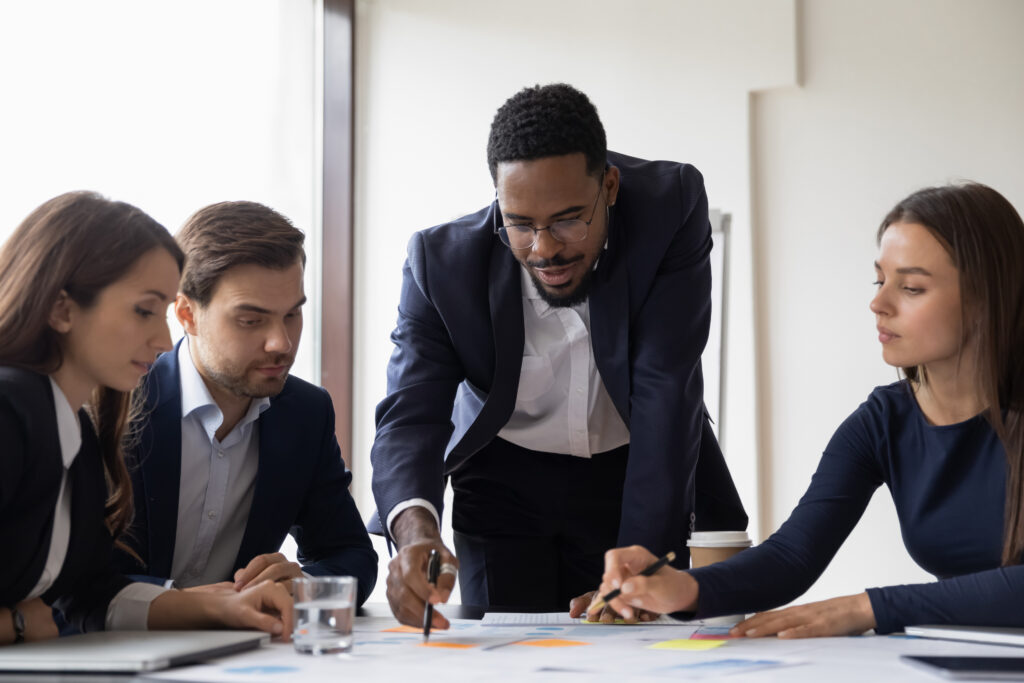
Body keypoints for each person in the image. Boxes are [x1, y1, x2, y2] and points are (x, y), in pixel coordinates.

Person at [371, 83, 747, 628]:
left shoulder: (670, 207)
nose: (544, 248)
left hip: (635, 473)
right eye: (520, 224)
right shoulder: (440, 263)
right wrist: (414, 533)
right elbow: (410, 416)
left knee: (635, 649)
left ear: (610, 187)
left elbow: (666, 386)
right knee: (508, 650)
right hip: (501, 481)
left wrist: (643, 556)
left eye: (569, 219)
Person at [593, 182, 1024, 636]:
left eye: (912, 287)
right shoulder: (882, 422)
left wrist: (873, 607)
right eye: (880, 280)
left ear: (986, 298)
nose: (878, 304)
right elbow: (792, 556)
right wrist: (683, 589)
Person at [0, 191, 292, 644]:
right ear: (62, 308)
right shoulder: (10, 410)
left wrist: (223, 607)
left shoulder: (73, 429)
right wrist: (15, 624)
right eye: (144, 311)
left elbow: (89, 592)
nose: (163, 340)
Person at [114, 201, 377, 605]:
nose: (282, 343)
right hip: (118, 651)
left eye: (292, 315)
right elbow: (79, 583)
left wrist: (301, 585)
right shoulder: (118, 403)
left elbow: (352, 555)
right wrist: (190, 607)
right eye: (251, 320)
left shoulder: (305, 413)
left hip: (240, 656)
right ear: (186, 315)